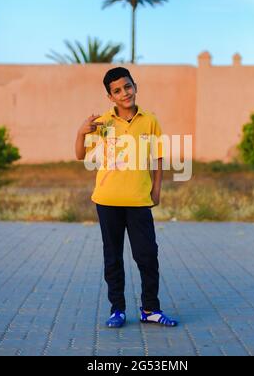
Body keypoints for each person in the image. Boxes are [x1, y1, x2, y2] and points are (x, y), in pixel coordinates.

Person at [75, 67, 178, 328]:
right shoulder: (103, 123)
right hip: (107, 200)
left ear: (135, 86)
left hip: (139, 200)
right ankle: (117, 310)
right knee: (113, 256)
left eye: (127, 87)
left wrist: (156, 189)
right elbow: (80, 155)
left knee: (147, 255)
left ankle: (150, 309)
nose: (124, 93)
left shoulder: (150, 120)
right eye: (117, 90)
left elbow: (158, 158)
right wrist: (81, 132)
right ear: (110, 96)